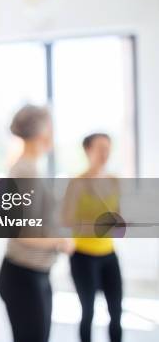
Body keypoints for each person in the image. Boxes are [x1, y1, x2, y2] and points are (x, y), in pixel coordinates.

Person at [0, 104, 74, 342]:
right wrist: (61, 242)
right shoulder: (26, 170)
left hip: (32, 274)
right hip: (24, 277)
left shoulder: (28, 167)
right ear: (43, 132)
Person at [62, 133, 122, 342]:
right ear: (88, 150)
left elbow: (118, 215)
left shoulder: (114, 181)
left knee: (116, 311)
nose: (105, 153)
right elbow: (66, 221)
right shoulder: (77, 183)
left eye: (108, 148)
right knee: (88, 312)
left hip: (109, 254)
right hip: (83, 257)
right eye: (100, 148)